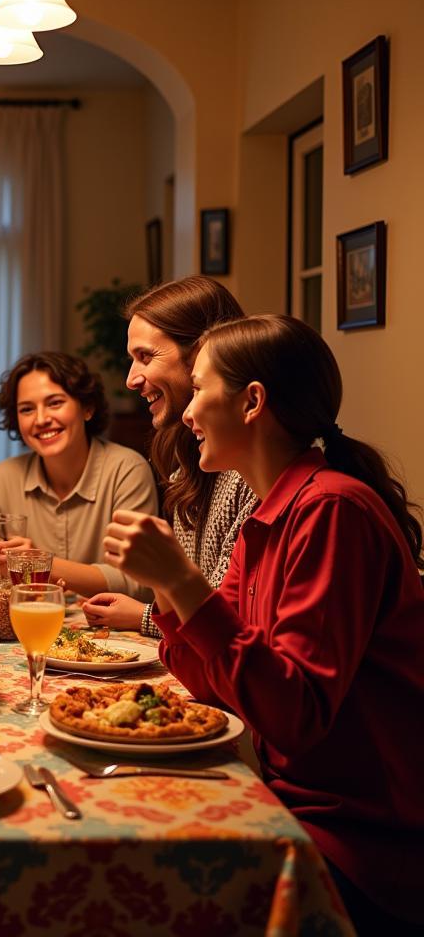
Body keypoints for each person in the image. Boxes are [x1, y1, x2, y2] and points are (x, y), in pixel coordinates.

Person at [103, 314, 424, 934]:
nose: (187, 412)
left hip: (354, 839)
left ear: (252, 402)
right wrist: (172, 592)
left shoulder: (332, 510)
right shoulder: (271, 515)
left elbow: (293, 717)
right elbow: (215, 684)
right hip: (280, 796)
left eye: (199, 389)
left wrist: (183, 582)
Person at [82, 276, 257, 636]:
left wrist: (146, 615)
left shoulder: (253, 473)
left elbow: (230, 624)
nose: (131, 379)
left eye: (145, 356)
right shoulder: (186, 468)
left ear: (202, 354)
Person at [0, 351, 157, 597]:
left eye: (55, 403)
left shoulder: (127, 470)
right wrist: (11, 564)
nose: (41, 419)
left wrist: (38, 563)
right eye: (26, 409)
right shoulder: (5, 475)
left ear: (87, 408)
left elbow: (141, 580)